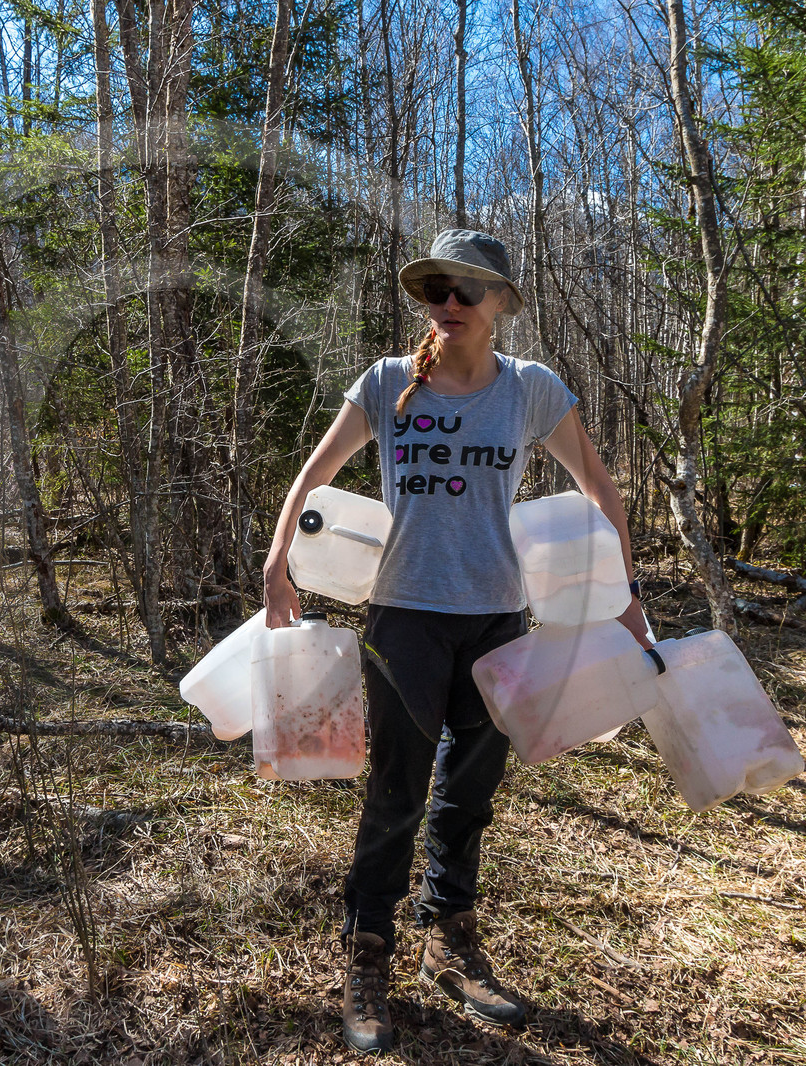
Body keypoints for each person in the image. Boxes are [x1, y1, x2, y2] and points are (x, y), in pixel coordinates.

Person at [261, 230, 651, 1052]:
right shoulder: (387, 382)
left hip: (498, 622)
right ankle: (368, 949)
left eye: (469, 289)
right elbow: (314, 475)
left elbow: (597, 485)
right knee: (397, 790)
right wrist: (276, 563)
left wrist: (625, 593)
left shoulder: (531, 390)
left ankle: (450, 940)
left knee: (470, 793)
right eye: (436, 289)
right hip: (404, 617)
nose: (449, 303)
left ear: (502, 302)